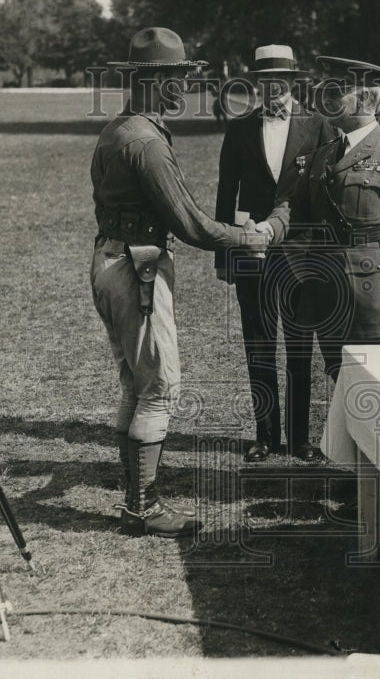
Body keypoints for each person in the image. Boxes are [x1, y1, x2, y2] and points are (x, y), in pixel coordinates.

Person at [91, 27, 274, 538]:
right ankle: (142, 507)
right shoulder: (147, 142)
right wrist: (247, 238)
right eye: (177, 77)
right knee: (160, 387)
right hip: (138, 269)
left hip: (110, 259)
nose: (185, 87)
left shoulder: (117, 129)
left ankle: (135, 496)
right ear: (154, 81)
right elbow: (191, 224)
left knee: (136, 383)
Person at [214, 45, 331, 463]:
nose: (274, 87)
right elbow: (226, 193)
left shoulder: (317, 126)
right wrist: (224, 255)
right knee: (258, 344)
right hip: (250, 251)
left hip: (302, 253)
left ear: (294, 82)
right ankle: (264, 436)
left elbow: (325, 195)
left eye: (281, 79)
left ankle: (300, 439)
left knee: (300, 347)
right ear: (257, 83)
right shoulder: (240, 128)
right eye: (266, 80)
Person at [287, 55, 380, 385]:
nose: (325, 100)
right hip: (326, 293)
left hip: (369, 299)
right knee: (339, 379)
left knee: (372, 386)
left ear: (365, 98)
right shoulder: (324, 154)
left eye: (335, 93)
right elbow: (298, 216)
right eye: (324, 91)